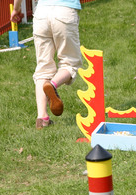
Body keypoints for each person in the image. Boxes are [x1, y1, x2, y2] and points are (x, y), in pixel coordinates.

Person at [11, 0, 83, 129]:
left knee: (43, 68)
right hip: (65, 12)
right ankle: (52, 84)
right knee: (70, 63)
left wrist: (16, 9)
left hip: (42, 14)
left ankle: (42, 119)